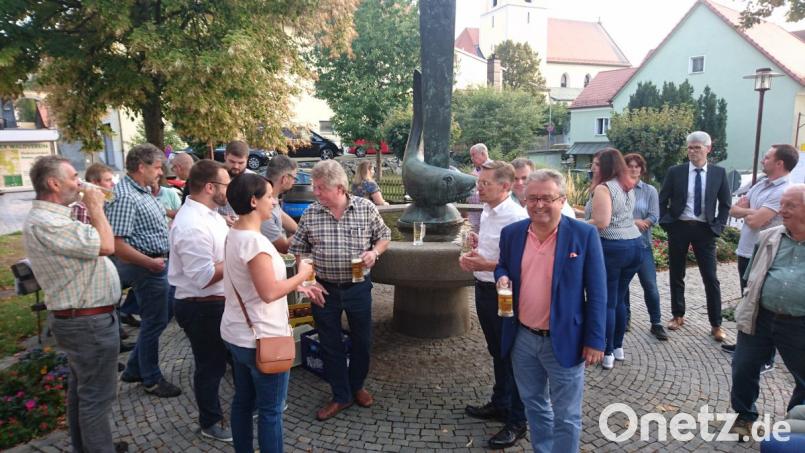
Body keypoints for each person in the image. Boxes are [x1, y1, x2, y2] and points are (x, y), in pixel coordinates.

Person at [495, 169, 606, 453]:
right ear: (524, 200)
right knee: (534, 404)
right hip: (522, 338)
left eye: (546, 198)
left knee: (567, 414)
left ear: (562, 200)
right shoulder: (512, 234)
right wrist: (502, 276)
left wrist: (595, 340)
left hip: (566, 338)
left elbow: (597, 292)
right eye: (532, 198)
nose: (538, 204)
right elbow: (503, 265)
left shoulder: (583, 234)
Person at [23, 156, 125, 452]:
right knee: (97, 399)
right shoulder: (47, 221)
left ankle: (89, 446)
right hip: (86, 321)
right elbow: (106, 245)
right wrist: (95, 207)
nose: (79, 183)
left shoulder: (58, 216)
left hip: (85, 318)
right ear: (53, 183)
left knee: (83, 394)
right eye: (72, 177)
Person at [221, 173, 324, 452]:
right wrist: (302, 273)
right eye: (269, 197)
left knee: (243, 400)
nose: (275, 202)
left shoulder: (235, 233)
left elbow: (257, 284)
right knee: (270, 411)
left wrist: (297, 283)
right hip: (262, 337)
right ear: (253, 201)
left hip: (237, 333)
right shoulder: (255, 243)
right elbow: (268, 292)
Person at [289, 160, 391, 421]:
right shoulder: (312, 213)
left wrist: (374, 253)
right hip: (325, 289)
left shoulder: (366, 208)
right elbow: (298, 249)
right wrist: (309, 280)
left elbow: (385, 235)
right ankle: (340, 395)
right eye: (315, 187)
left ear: (341, 188)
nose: (316, 192)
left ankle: (356, 386)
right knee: (330, 343)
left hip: (358, 287)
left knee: (363, 341)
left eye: (321, 187)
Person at [459, 161, 529, 449]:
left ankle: (518, 421)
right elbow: (499, 250)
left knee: (512, 355)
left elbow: (523, 265)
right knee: (496, 351)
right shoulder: (489, 209)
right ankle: (500, 403)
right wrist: (479, 246)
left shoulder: (516, 216)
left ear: (505, 186)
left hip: (505, 293)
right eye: (479, 182)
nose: (479, 187)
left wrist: (486, 262)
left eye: (485, 183)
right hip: (484, 288)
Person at [729, 184, 805, 437]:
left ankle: (796, 423)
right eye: (781, 204)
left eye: (790, 205)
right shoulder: (769, 237)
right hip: (761, 316)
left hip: (799, 323)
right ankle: (744, 415)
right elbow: (752, 276)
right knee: (743, 366)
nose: (781, 210)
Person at [106, 143, 181, 397]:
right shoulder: (126, 196)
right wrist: (149, 263)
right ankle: (151, 378)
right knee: (154, 321)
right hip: (146, 267)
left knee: (160, 316)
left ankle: (134, 368)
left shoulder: (142, 191)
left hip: (155, 264)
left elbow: (161, 213)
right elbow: (117, 244)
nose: (160, 172)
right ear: (141, 167)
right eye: (157, 167)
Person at [169, 160, 233, 442]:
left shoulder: (212, 214)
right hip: (201, 305)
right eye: (226, 185)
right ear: (210, 187)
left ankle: (243, 409)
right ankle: (210, 421)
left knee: (228, 360)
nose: (229, 191)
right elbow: (203, 276)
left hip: (214, 302)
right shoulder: (191, 224)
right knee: (210, 365)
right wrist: (236, 259)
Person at [658, 131, 731, 341]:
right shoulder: (676, 172)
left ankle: (716, 324)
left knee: (711, 278)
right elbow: (662, 200)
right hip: (679, 227)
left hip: (704, 230)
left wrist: (718, 227)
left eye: (697, 147)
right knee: (676, 274)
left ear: (708, 149)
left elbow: (726, 204)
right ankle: (677, 315)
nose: (692, 151)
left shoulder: (718, 173)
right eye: (690, 147)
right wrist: (667, 223)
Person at [585, 149, 642, 370]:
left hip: (612, 248)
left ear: (607, 167)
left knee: (607, 301)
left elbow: (601, 222)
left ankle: (606, 351)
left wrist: (573, 224)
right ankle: (618, 347)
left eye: (597, 164)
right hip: (634, 245)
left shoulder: (604, 187)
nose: (592, 167)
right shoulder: (626, 185)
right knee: (618, 300)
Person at [623, 153, 668, 341]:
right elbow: (615, 216)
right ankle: (625, 318)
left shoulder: (650, 191)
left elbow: (654, 216)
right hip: (623, 244)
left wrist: (644, 222)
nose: (633, 169)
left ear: (642, 169)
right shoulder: (619, 189)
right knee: (622, 286)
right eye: (630, 166)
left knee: (650, 285)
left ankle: (656, 322)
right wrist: (634, 222)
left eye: (637, 166)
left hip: (643, 245)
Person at [511, 157, 576, 217]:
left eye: (524, 178)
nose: (519, 183)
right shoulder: (504, 200)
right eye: (515, 178)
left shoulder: (556, 201)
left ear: (534, 177)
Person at [261, 155, 299, 253]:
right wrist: (310, 230)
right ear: (285, 179)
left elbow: (280, 214)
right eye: (294, 178)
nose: (294, 182)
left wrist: (300, 229)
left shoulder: (272, 195)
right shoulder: (263, 207)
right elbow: (283, 247)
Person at [219, 140, 253, 225]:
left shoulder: (254, 180)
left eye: (241, 163)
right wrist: (221, 218)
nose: (236, 166)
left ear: (247, 159)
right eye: (232, 162)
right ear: (225, 157)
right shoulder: (211, 176)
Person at [466, 143, 492, 233]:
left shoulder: (494, 168)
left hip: (486, 211)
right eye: (471, 156)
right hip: (474, 213)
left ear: (483, 154)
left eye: (473, 155)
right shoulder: (475, 170)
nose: (472, 158)